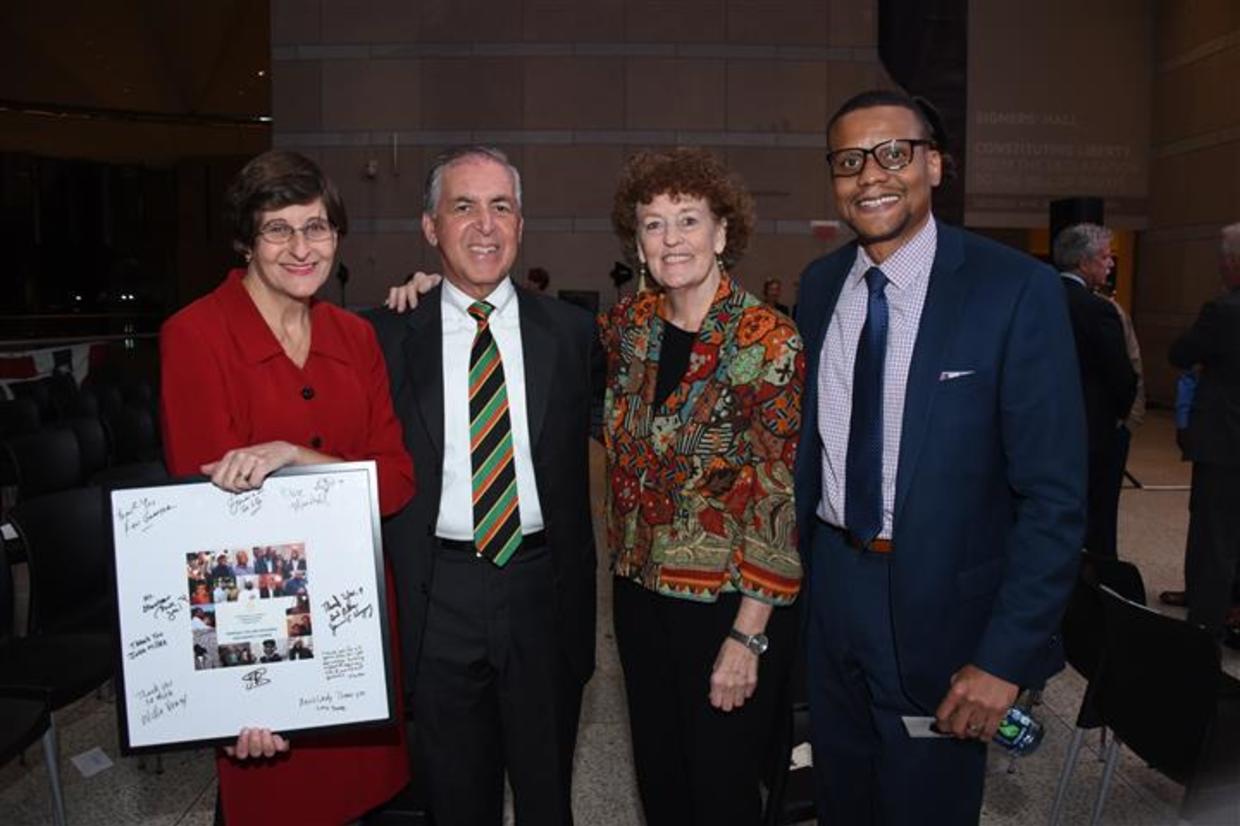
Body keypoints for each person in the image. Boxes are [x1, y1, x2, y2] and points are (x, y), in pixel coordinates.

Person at [793, 89, 1085, 824]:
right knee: (840, 799)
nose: (871, 177)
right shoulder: (821, 286)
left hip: (945, 614)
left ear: (935, 165)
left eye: (894, 154)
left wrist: (1004, 658)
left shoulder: (1015, 289)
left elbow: (1053, 498)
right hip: (831, 592)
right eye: (850, 160)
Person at [159, 149, 415, 826]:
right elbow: (204, 531)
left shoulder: (356, 337)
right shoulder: (195, 335)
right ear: (246, 238)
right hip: (258, 628)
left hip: (354, 622)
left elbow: (396, 481)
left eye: (318, 227)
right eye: (279, 229)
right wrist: (239, 688)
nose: (302, 248)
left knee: (360, 804)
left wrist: (298, 456)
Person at [369, 146, 602, 826]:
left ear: (521, 225)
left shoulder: (573, 332)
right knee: (454, 798)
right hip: (437, 596)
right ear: (430, 226)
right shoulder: (384, 335)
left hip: (543, 588)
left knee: (545, 795)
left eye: (501, 207)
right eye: (462, 207)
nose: (484, 225)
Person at [602, 147, 803, 825]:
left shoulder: (767, 340)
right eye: (653, 225)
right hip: (636, 592)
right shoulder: (628, 328)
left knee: (721, 790)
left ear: (723, 233)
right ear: (638, 243)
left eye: (687, 220)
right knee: (661, 779)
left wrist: (748, 639)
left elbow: (778, 499)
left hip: (725, 605)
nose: (671, 239)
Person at [1169, 222, 1240, 641]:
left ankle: (1205, 623)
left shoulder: (1223, 311)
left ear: (1231, 264)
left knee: (1215, 534)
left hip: (1226, 439)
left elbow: (1182, 352)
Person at [1053, 223, 1138, 558]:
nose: (1111, 264)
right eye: (1105, 257)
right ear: (1083, 262)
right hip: (1093, 432)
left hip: (1043, 428)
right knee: (1098, 516)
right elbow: (1120, 373)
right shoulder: (1099, 309)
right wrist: (1121, 416)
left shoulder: (1035, 298)